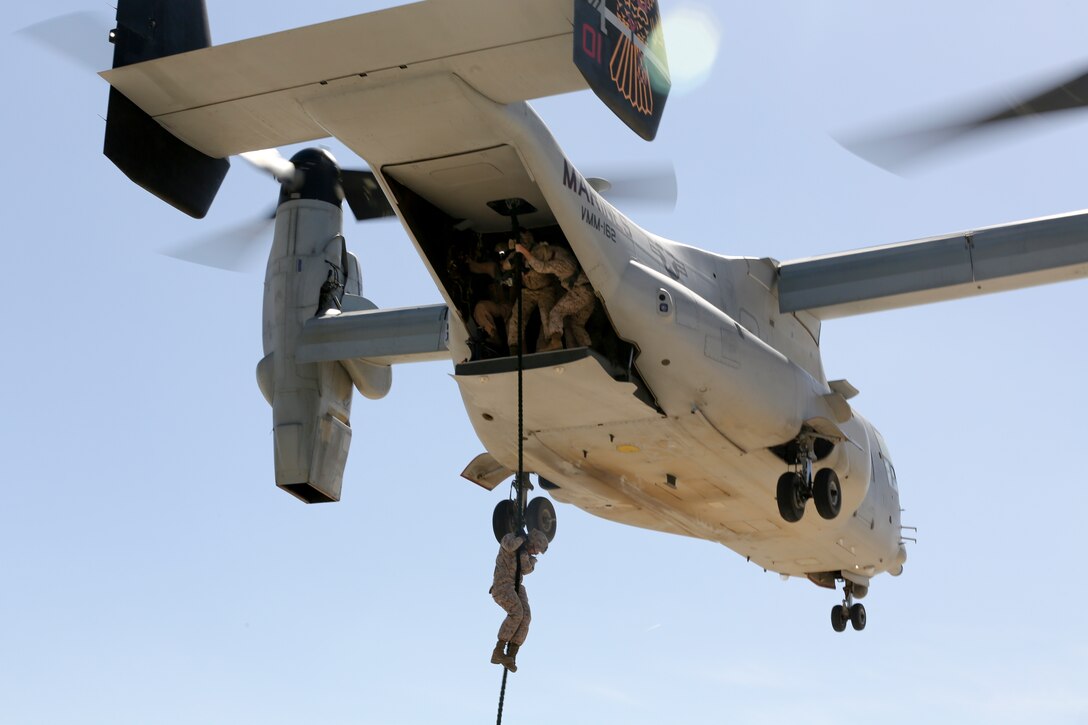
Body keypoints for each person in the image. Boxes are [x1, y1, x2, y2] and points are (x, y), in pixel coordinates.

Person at [514, 239, 595, 349]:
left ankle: (556, 342)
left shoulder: (561, 264)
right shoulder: (559, 252)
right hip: (588, 293)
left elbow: (541, 267)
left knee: (556, 313)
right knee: (575, 325)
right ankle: (587, 349)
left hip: (581, 293)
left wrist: (522, 250)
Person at [490, 528, 549, 673]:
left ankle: (511, 654)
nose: (535, 553)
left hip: (515, 586)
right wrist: (521, 540)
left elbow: (527, 569)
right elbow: (509, 546)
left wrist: (525, 553)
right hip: (502, 585)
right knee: (517, 613)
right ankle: (499, 650)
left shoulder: (525, 555)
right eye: (536, 549)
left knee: (526, 617)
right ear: (532, 542)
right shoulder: (510, 538)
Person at [505, 230, 560, 354]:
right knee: (516, 318)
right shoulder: (516, 254)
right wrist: (515, 258)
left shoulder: (540, 250)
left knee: (547, 317)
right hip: (528, 291)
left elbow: (547, 264)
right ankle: (514, 349)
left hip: (545, 289)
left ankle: (551, 346)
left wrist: (528, 257)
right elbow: (505, 266)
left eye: (524, 239)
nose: (524, 242)